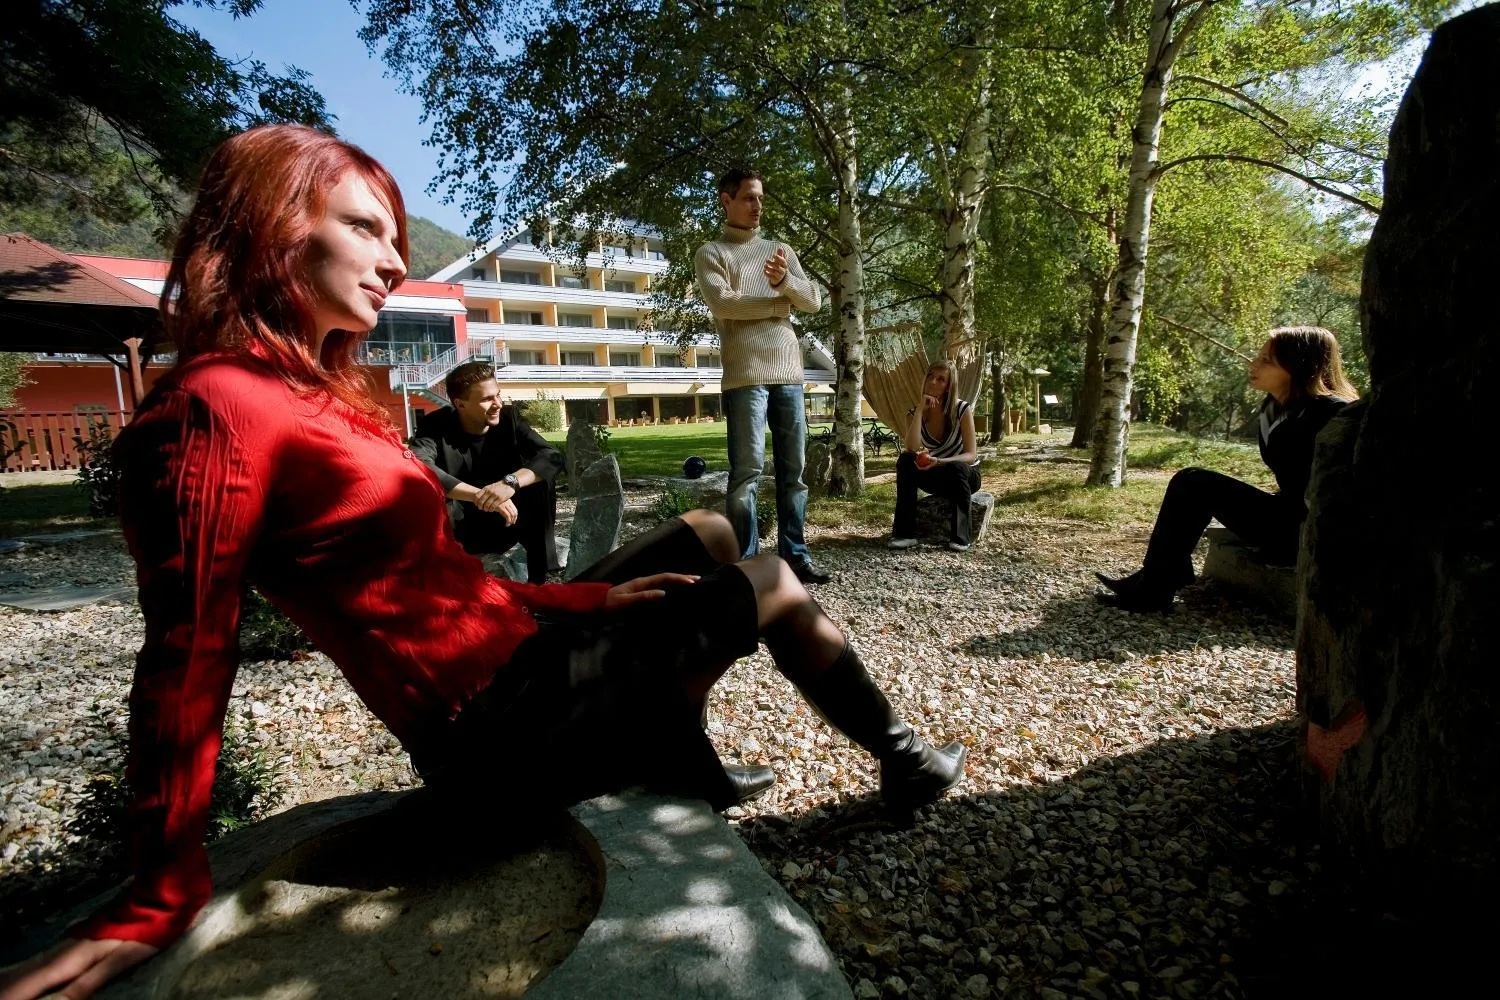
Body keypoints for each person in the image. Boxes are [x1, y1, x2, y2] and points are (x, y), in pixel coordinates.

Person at [0, 125, 967, 1000]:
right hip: (498, 731)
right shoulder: (215, 409)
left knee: (714, 532)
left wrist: (590, 594)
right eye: (365, 229)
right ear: (273, 228)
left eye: (395, 239)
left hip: (529, 660)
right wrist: (159, 890)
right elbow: (184, 657)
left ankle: (692, 766)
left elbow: (443, 582)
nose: (392, 260)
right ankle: (905, 762)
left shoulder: (308, 394)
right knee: (771, 580)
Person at [1095, 326, 1358, 612]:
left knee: (1194, 483)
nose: (1254, 364)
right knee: (1191, 481)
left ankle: (1155, 586)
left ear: (1299, 365)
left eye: (1267, 360)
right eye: (1259, 357)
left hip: (1309, 534)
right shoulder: (1274, 408)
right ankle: (1155, 581)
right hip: (1288, 517)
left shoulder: (1333, 414)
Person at [694, 167, 831, 584]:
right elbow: (725, 304)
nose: (758, 206)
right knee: (747, 472)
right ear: (726, 200)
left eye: (761, 198)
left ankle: (795, 555)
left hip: (788, 372)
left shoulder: (780, 250)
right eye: (749, 198)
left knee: (795, 471)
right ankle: (748, 563)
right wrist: (775, 306)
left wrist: (786, 280)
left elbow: (813, 301)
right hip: (745, 376)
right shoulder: (712, 252)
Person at [409, 361, 560, 584]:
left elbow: (552, 456)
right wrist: (481, 496)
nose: (497, 404)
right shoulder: (436, 424)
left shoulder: (510, 419)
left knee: (540, 482)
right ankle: (442, 577)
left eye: (498, 395)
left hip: (509, 519)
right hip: (462, 528)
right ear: (460, 404)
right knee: (428, 492)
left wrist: (509, 484)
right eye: (487, 399)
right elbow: (418, 465)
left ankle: (540, 577)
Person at [888, 360, 981, 552]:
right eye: (930, 377)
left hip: (965, 475)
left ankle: (961, 537)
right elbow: (912, 447)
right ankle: (904, 534)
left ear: (949, 386)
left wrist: (940, 461)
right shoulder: (915, 413)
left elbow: (971, 455)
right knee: (905, 460)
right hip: (937, 475)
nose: (933, 382)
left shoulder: (962, 409)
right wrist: (921, 410)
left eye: (941, 379)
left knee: (957, 467)